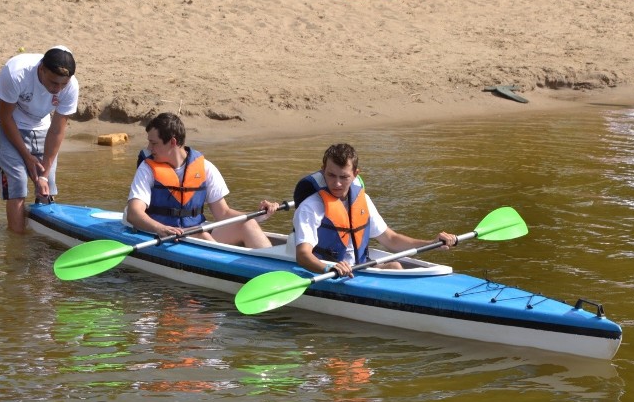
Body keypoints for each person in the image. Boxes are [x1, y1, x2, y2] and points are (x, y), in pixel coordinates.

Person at [292, 143, 457, 278]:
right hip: (329, 272)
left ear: (356, 174)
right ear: (322, 170)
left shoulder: (363, 200)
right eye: (331, 175)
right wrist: (328, 269)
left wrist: (432, 244)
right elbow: (303, 255)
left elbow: (391, 240)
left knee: (395, 266)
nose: (337, 184)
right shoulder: (310, 207)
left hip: (360, 268)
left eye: (344, 177)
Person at [125, 112, 279, 248]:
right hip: (162, 234)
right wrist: (160, 228)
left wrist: (260, 214)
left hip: (195, 232)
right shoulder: (146, 169)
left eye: (154, 143)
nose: (149, 148)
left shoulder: (205, 168)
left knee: (249, 224)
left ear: (172, 142)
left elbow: (223, 213)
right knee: (202, 235)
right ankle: (226, 266)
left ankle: (273, 267)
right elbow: (134, 213)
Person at [0, 46, 79, 234]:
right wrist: (27, 157)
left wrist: (44, 174)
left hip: (40, 122)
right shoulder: (16, 74)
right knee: (18, 184)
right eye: (54, 83)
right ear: (41, 69)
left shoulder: (71, 87)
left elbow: (56, 130)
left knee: (47, 186)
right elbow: (5, 117)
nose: (58, 90)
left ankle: (44, 243)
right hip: (5, 119)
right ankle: (18, 242)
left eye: (63, 84)